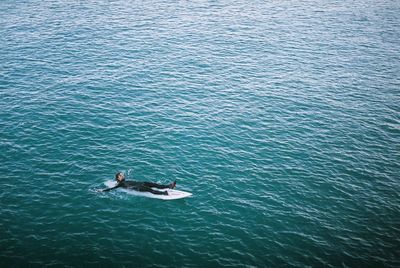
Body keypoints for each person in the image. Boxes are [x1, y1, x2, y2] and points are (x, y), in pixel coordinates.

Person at [100, 172, 176, 195]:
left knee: (155, 184)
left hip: (141, 183)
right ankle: (164, 193)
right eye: (120, 175)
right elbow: (111, 188)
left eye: (122, 174)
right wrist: (102, 190)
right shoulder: (119, 184)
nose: (122, 175)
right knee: (150, 190)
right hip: (138, 187)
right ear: (118, 178)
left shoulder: (124, 180)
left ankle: (169, 186)